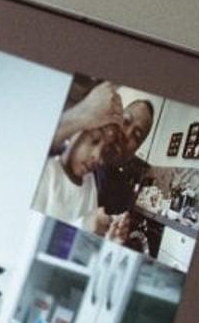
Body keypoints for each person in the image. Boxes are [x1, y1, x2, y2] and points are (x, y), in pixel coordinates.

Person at [35, 82, 153, 230]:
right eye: (126, 121)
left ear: (136, 150)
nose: (125, 134)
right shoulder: (57, 159)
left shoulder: (121, 197)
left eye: (136, 136)